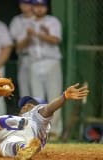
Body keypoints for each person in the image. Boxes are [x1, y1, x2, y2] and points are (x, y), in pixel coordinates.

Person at [0, 83, 89, 160]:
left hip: (29, 131)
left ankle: (23, 147)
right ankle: (14, 132)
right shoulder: (24, 115)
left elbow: (49, 108)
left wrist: (64, 97)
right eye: (24, 104)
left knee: (10, 147)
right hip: (8, 131)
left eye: (31, 104)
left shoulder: (38, 117)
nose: (26, 106)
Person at [28, 0, 63, 139]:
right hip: (34, 62)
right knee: (37, 98)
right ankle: (40, 131)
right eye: (37, 6)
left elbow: (55, 40)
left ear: (46, 8)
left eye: (42, 6)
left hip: (51, 61)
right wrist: (29, 34)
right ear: (33, 7)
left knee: (54, 96)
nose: (39, 9)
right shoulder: (27, 22)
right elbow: (19, 44)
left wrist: (37, 34)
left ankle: (55, 130)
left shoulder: (52, 21)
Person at [9, 0, 34, 97]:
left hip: (40, 58)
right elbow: (18, 46)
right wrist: (28, 37)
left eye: (29, 3)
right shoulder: (16, 20)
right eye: (24, 3)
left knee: (38, 90)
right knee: (25, 89)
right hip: (24, 57)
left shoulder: (41, 19)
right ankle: (26, 111)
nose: (26, 6)